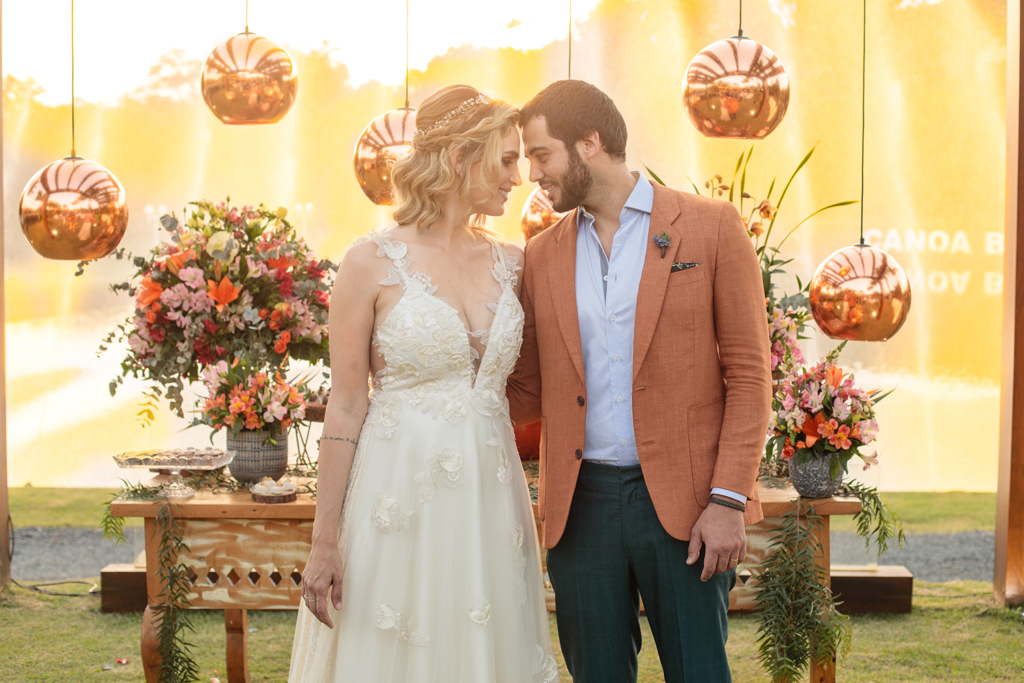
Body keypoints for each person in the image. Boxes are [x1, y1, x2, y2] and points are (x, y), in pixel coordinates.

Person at [290, 84, 559, 683]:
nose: (518, 178)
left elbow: (537, 383)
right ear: (461, 158)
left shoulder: (515, 263)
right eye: (506, 160)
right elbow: (346, 406)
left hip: (490, 501)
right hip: (395, 498)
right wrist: (324, 540)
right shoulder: (369, 262)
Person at [508, 79, 771, 682]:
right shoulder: (540, 255)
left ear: (590, 143)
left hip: (688, 505)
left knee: (699, 673)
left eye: (541, 155)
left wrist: (728, 499)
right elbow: (527, 388)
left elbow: (750, 375)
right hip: (580, 508)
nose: (532, 174)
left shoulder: (710, 226)